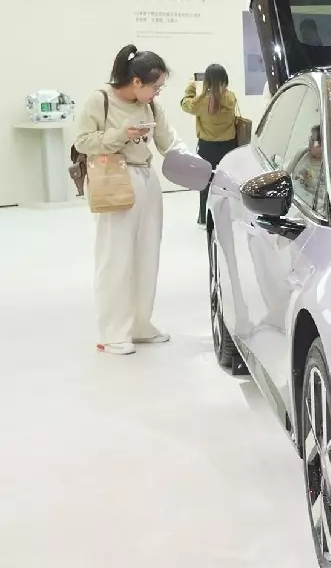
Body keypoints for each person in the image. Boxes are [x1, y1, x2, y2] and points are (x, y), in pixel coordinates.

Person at [74, 44, 178, 355]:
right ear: (136, 81)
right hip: (114, 179)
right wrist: (121, 134)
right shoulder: (100, 100)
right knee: (115, 258)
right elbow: (82, 141)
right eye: (155, 87)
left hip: (146, 178)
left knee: (147, 255)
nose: (157, 93)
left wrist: (193, 163)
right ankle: (114, 332)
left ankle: (140, 325)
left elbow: (168, 140)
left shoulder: (151, 106)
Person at [181, 63, 238, 227]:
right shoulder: (231, 97)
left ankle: (204, 218)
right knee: (227, 184)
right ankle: (228, 217)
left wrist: (191, 87)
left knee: (205, 182)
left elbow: (184, 104)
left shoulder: (201, 101)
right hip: (229, 146)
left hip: (207, 147)